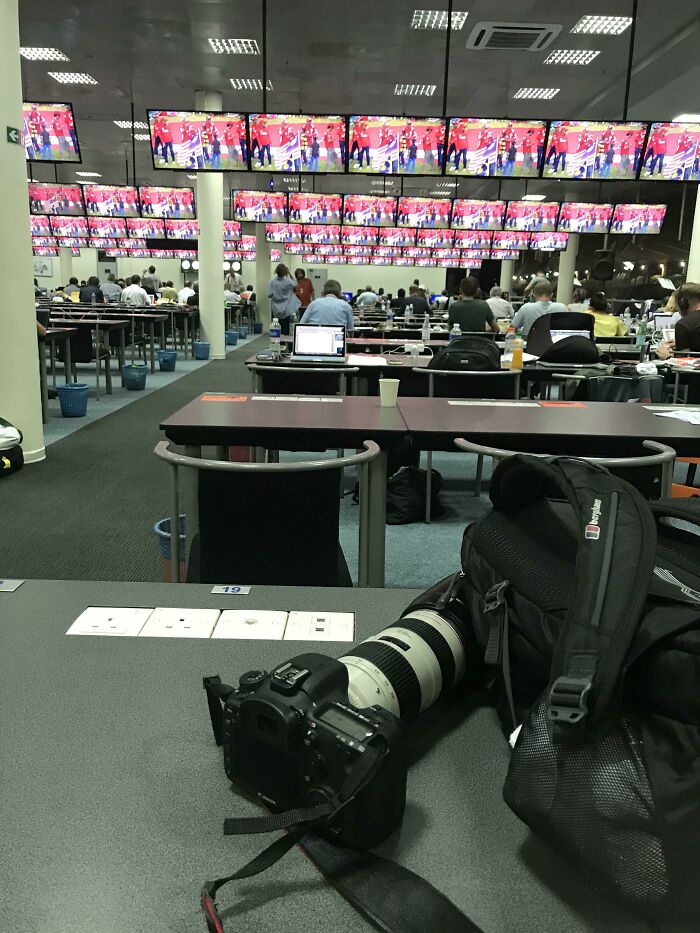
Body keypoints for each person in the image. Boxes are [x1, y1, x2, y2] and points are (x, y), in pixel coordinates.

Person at [268, 264, 300, 335]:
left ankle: (275, 344)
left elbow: (269, 295)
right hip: (286, 310)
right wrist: (289, 273)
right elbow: (296, 284)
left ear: (276, 272)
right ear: (285, 272)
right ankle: (284, 344)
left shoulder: (272, 282)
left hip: (275, 310)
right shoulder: (288, 282)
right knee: (285, 330)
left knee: (275, 330)